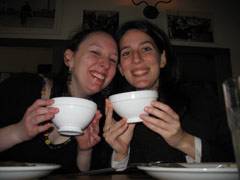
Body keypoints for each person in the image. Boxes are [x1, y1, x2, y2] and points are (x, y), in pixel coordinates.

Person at [102, 20, 234, 169]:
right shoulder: (112, 116)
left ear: (162, 59)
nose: (136, 58)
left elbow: (232, 156)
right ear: (120, 68)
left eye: (146, 48)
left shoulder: (200, 96)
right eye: (126, 53)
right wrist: (120, 155)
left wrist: (183, 140)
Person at [0, 28, 118, 173]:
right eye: (95, 52)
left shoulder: (102, 120)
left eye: (113, 59)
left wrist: (85, 151)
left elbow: (85, 175)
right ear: (69, 58)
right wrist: (18, 132)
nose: (106, 64)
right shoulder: (22, 87)